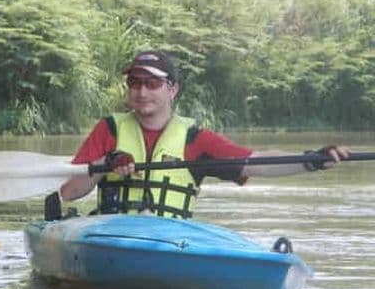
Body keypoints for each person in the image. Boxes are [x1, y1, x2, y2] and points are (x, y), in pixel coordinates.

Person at [52, 50, 350, 220]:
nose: (142, 91)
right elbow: (69, 193)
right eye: (135, 82)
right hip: (111, 236)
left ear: (172, 89)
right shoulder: (109, 130)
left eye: (152, 84)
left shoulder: (196, 140)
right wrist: (106, 161)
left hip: (171, 242)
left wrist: (312, 160)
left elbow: (255, 162)